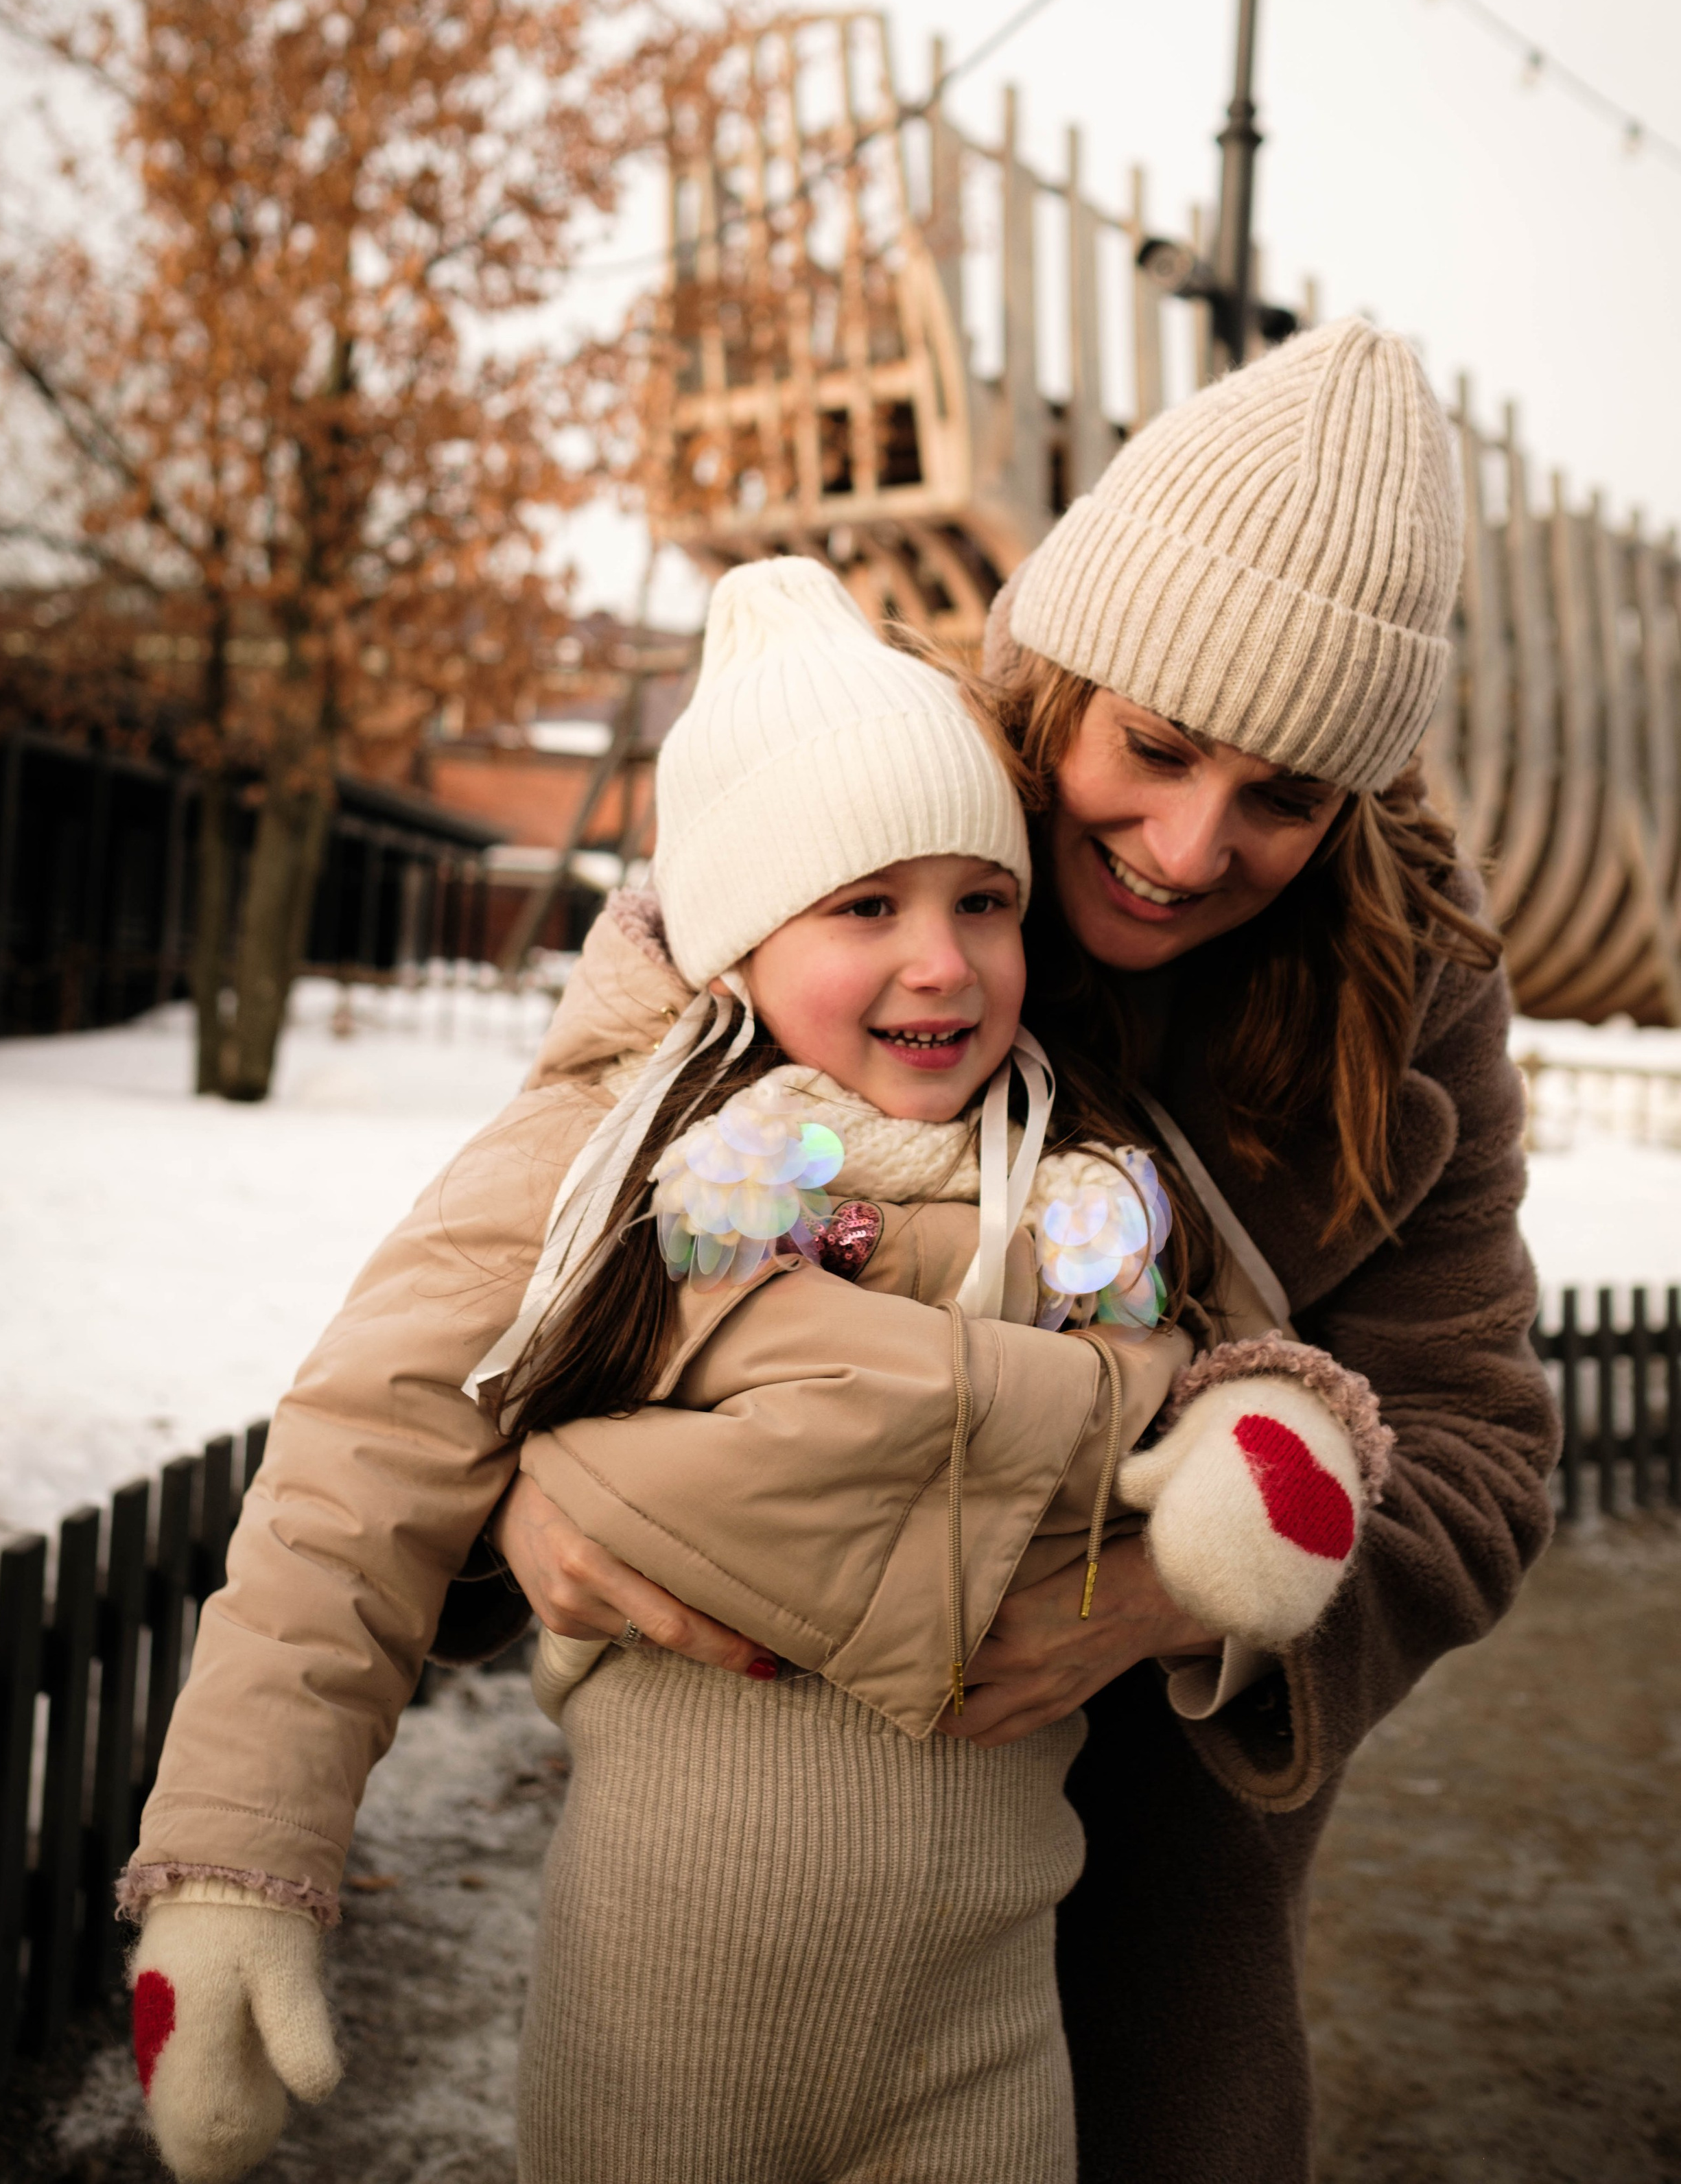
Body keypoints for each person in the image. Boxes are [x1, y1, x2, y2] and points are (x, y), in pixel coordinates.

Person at [119, 557, 1386, 2184]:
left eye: (979, 901)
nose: (939, 963)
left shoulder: (1075, 1166)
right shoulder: (610, 1157)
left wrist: (1260, 1452)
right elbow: (356, 1464)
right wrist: (236, 1867)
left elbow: (1214, 1357)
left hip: (985, 2015)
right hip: (669, 2007)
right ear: (731, 937)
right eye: (864, 905)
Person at [495, 318, 1561, 2184]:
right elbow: (511, 1268)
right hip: (756, 1871)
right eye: (1152, 746)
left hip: (1156, 1874)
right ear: (1057, 677)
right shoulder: (831, 833)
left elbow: (1479, 1441)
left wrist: (1176, 1602)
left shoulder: (1412, 1004)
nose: (1186, 843)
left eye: (1288, 797)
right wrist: (535, 1489)